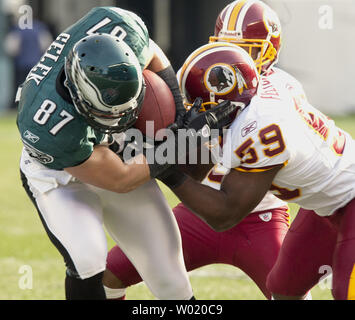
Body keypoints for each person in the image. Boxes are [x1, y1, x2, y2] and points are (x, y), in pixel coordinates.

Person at [16, 6, 234, 300]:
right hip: (61, 174)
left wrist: (179, 114)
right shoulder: (47, 121)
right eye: (109, 113)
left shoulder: (121, 29)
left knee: (170, 277)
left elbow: (152, 52)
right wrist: (182, 140)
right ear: (80, 96)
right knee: (87, 258)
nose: (123, 118)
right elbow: (120, 179)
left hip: (119, 153)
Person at [102, 1, 294, 300]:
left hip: (261, 218)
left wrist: (173, 157)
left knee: (290, 294)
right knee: (108, 276)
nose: (235, 58)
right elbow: (195, 160)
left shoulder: (280, 93)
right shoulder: (201, 74)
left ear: (269, 50)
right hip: (200, 211)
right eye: (229, 47)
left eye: (247, 49)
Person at [4, 14, 53, 109]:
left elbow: (12, 48)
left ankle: (19, 107)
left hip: (21, 65)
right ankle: (35, 107)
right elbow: (46, 45)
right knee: (35, 88)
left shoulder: (17, 28)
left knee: (19, 89)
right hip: (36, 64)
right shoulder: (39, 27)